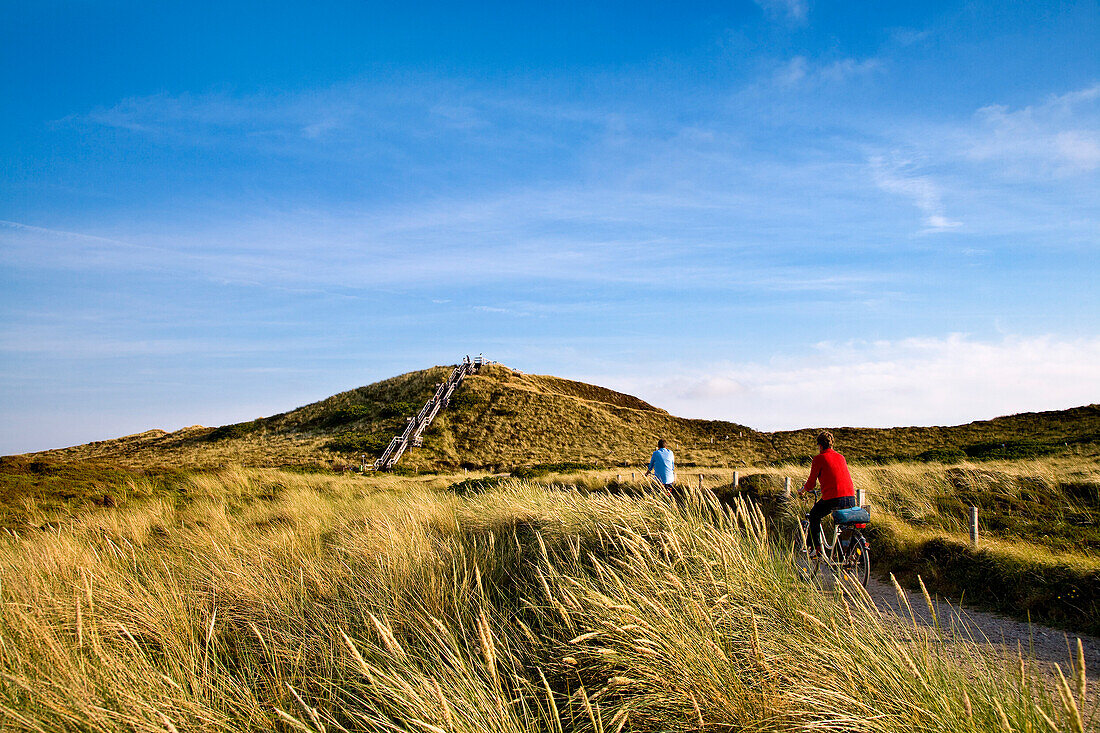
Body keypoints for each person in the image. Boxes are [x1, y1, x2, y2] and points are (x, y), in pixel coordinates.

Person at [797, 431, 856, 558]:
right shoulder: (841, 457)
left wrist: (802, 490)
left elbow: (811, 484)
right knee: (843, 526)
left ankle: (816, 548)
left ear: (820, 446)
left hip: (833, 499)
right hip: (851, 498)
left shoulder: (819, 459)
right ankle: (843, 556)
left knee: (814, 515)